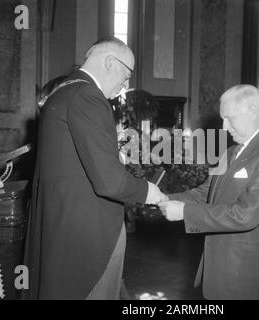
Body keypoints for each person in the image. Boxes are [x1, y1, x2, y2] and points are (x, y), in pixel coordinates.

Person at [23, 37, 166, 300]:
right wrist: (150, 192)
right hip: (89, 234)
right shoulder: (88, 96)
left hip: (63, 225)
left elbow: (73, 163)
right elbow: (109, 182)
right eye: (126, 75)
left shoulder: (63, 91)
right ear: (110, 62)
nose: (126, 85)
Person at [158, 85, 259, 300]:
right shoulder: (231, 152)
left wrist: (185, 212)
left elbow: (245, 215)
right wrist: (162, 198)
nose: (224, 126)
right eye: (223, 118)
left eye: (230, 118)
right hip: (219, 270)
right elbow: (205, 192)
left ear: (253, 110)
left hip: (246, 276)